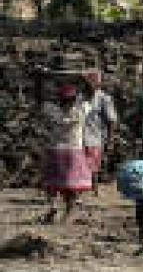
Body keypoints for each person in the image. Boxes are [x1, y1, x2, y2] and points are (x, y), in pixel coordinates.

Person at [39, 81, 93, 222]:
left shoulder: (52, 110)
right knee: (72, 185)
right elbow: (90, 97)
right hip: (74, 151)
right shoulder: (80, 110)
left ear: (59, 99)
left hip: (55, 149)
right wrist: (85, 80)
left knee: (52, 182)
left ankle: (52, 206)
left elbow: (41, 98)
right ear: (74, 99)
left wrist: (42, 78)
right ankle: (68, 212)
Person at [81, 68, 118, 188]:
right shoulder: (79, 97)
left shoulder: (104, 98)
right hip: (78, 136)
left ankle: (94, 187)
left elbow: (111, 120)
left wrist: (110, 139)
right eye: (88, 82)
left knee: (93, 165)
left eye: (94, 82)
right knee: (81, 163)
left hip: (95, 136)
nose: (90, 85)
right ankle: (84, 186)